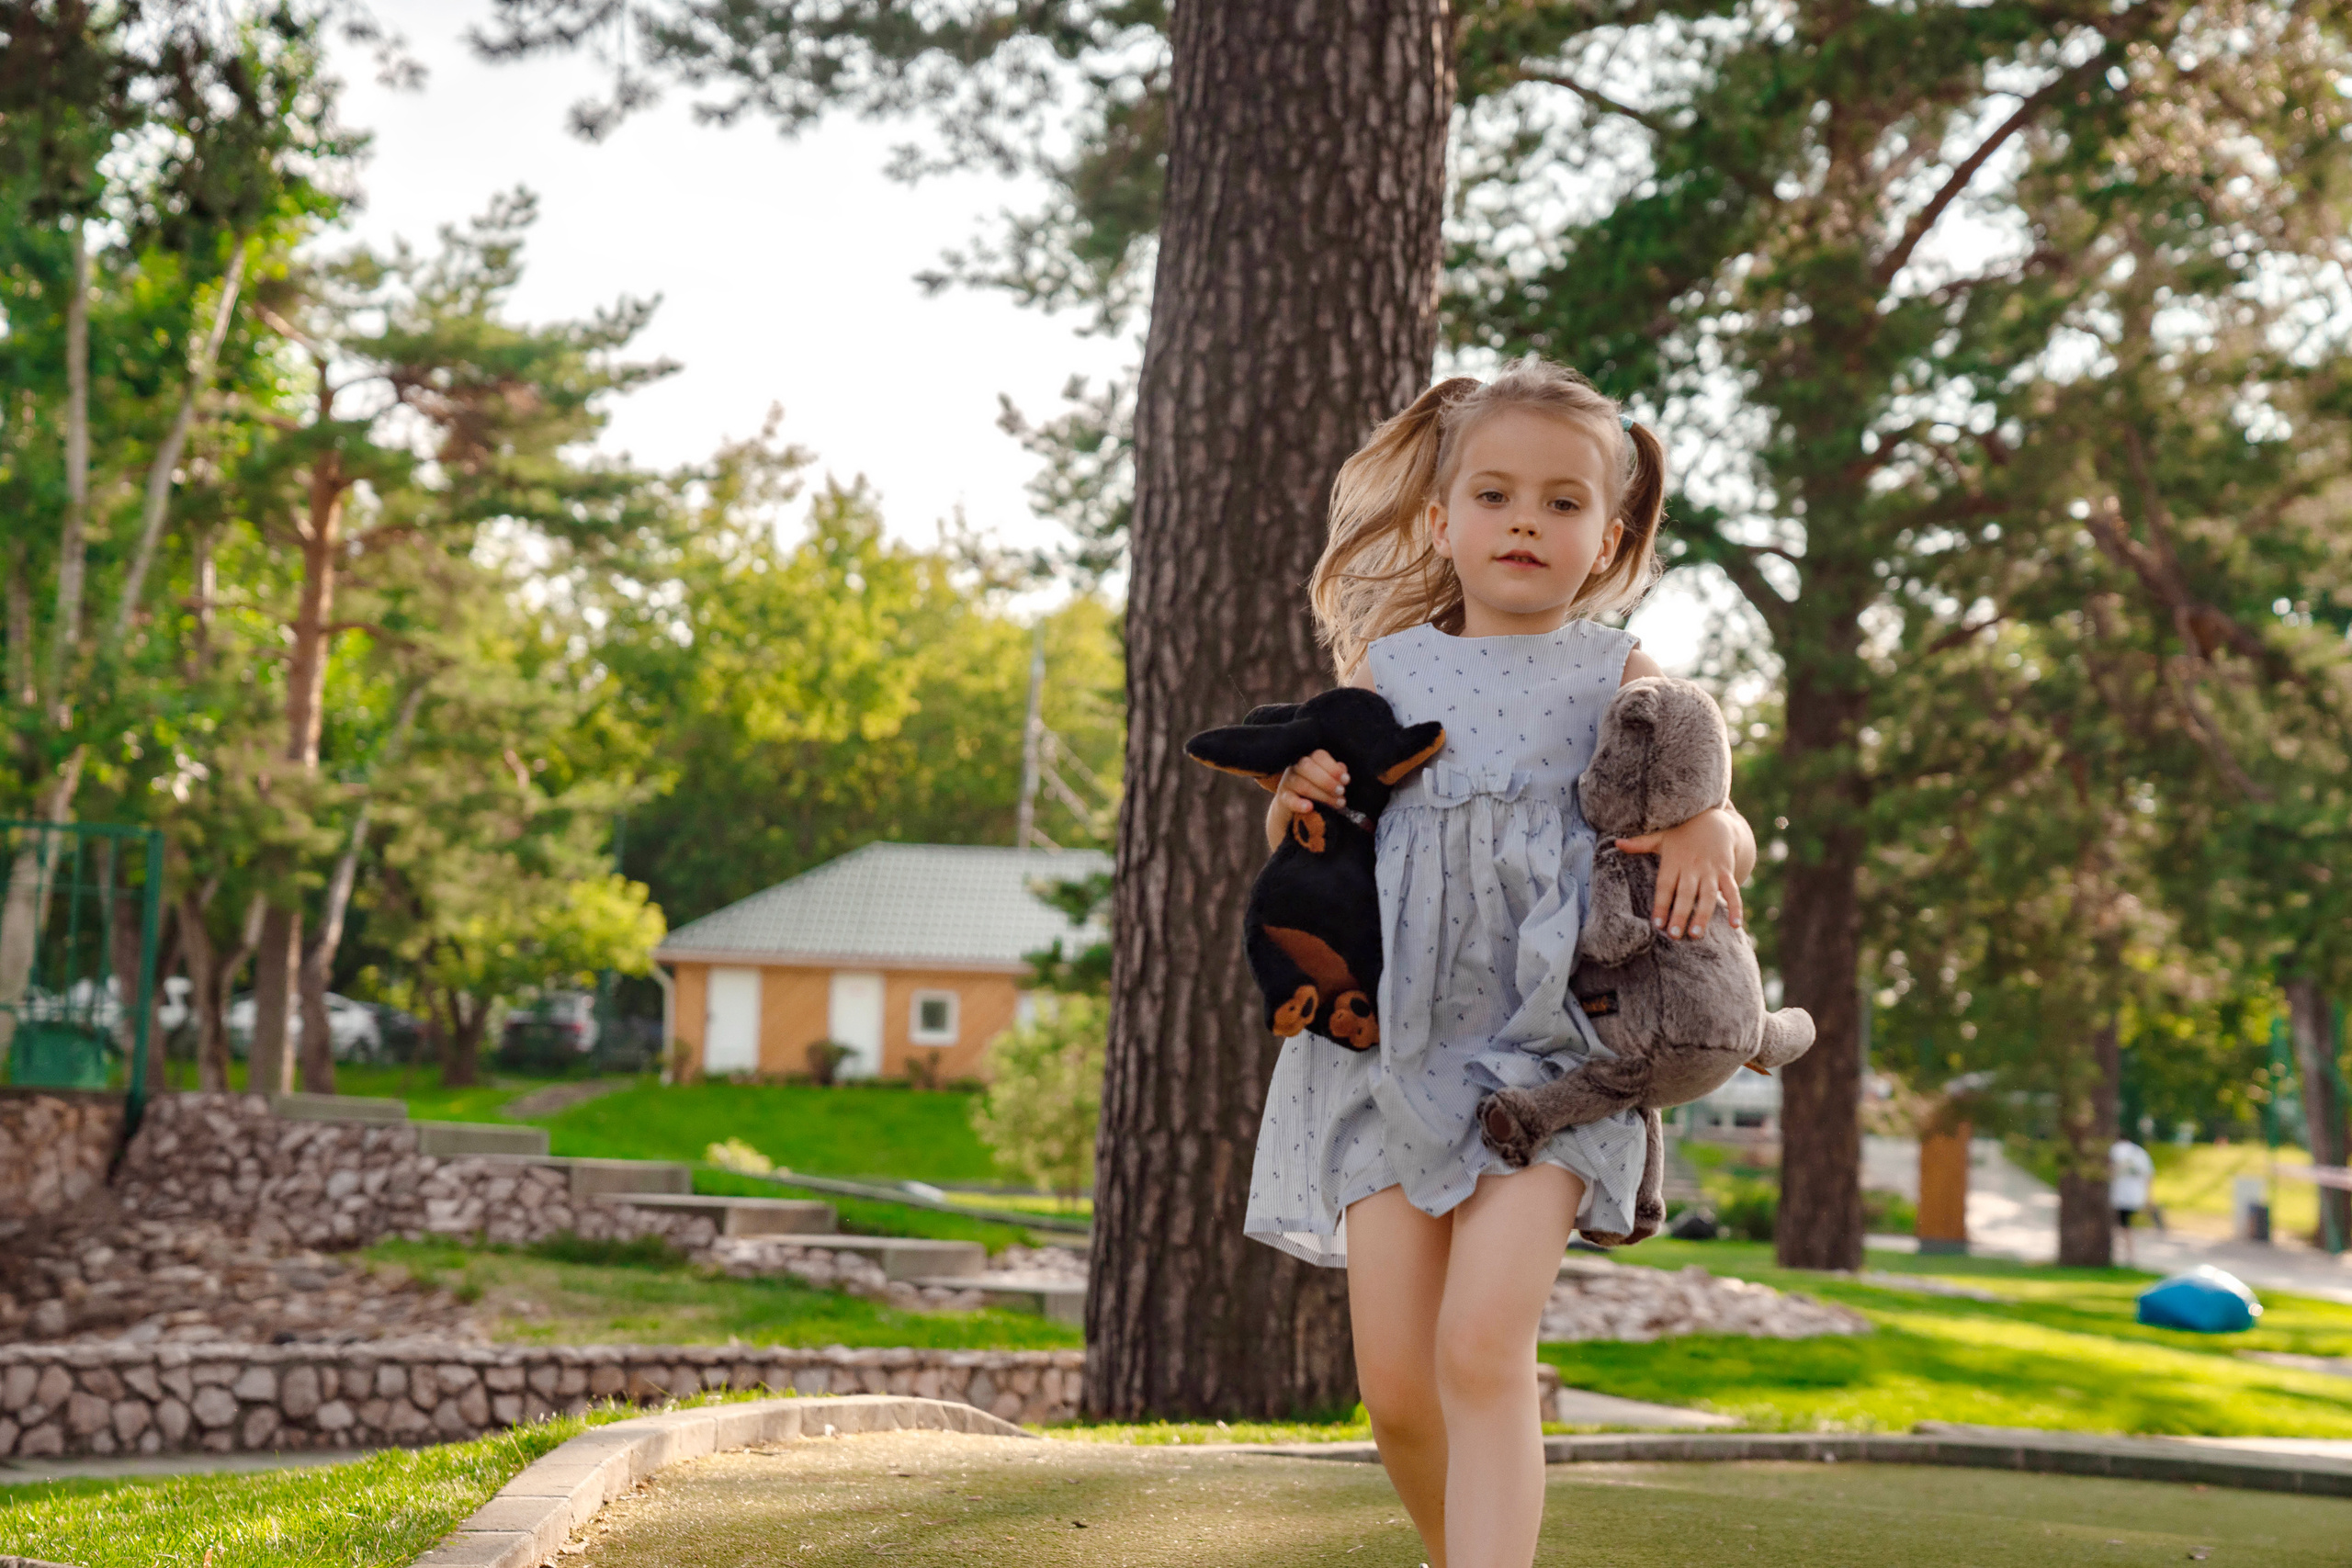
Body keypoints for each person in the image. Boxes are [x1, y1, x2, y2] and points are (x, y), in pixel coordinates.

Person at [1246, 360, 1755, 1568]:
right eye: (1495, 493)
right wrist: (1299, 787)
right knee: (1398, 1389)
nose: (1525, 519)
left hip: (1557, 1051)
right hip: (1389, 1051)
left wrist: (1704, 826)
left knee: (1481, 1344)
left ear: (1610, 538)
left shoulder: (1620, 676)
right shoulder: (1392, 669)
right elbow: (1300, 830)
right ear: (1442, 521)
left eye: (1563, 502)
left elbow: (1717, 815)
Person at [2111, 1134, 2155, 1266]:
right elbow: (2149, 1174)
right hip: (2135, 1196)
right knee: (2126, 1226)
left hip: (2117, 1195)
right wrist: (2149, 1197)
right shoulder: (2140, 1152)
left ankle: (2122, 1255)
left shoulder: (2114, 1149)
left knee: (2121, 1226)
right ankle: (2129, 1256)